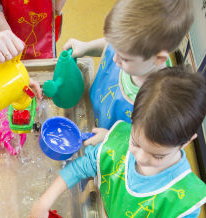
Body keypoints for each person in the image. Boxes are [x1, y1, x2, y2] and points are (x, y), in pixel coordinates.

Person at [29, 67, 206, 218]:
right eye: (136, 143)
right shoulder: (120, 139)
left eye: (157, 156)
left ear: (187, 142)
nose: (140, 158)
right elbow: (82, 166)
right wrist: (45, 201)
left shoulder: (185, 195)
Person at [63, 0, 193, 132]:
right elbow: (111, 45)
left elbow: (139, 139)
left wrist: (109, 137)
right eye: (115, 48)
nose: (114, 58)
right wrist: (86, 47)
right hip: (95, 111)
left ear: (158, 59)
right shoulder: (131, 51)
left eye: (124, 58)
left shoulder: (158, 103)